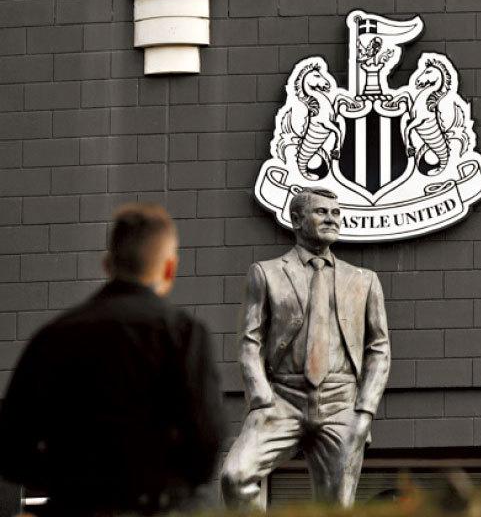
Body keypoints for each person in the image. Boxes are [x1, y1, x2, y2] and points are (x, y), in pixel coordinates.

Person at [0, 203, 226, 515]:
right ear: (169, 269)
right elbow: (208, 440)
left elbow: (11, 449)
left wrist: (67, 482)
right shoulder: (183, 334)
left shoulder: (52, 337)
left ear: (107, 264)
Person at [221, 187, 390, 508]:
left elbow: (379, 348)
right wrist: (261, 399)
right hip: (283, 400)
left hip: (341, 404)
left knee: (335, 509)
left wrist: (365, 410)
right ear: (297, 220)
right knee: (235, 476)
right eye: (321, 212)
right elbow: (250, 341)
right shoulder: (267, 273)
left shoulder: (364, 279)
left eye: (336, 213)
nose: (331, 219)